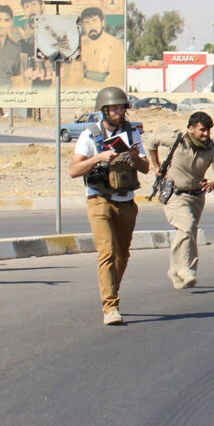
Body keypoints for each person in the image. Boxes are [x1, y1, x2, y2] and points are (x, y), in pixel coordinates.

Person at [68, 87, 149, 324]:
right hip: (99, 199)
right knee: (107, 251)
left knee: (122, 255)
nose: (119, 111)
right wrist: (97, 158)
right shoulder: (90, 136)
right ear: (104, 110)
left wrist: (134, 157)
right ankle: (110, 306)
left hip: (125, 200)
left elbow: (145, 168)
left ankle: (112, 289)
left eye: (122, 107)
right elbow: (74, 170)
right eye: (114, 108)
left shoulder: (132, 134)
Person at [145, 111, 214, 289]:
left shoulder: (212, 148)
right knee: (187, 226)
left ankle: (174, 270)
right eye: (202, 130)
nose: (206, 134)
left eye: (208, 130)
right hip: (174, 194)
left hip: (196, 197)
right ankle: (186, 270)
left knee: (188, 232)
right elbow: (152, 141)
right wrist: (156, 166)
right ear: (191, 128)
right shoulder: (177, 140)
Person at [79, 7, 124, 85]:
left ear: (102, 22)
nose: (91, 26)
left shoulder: (114, 44)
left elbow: (116, 80)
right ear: (83, 25)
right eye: (87, 22)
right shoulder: (79, 45)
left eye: (94, 21)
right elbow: (74, 77)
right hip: (82, 94)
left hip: (105, 94)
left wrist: (87, 83)